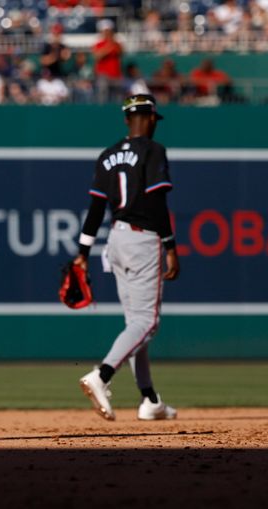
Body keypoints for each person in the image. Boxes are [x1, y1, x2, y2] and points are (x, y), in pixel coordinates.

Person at [75, 94, 180, 422]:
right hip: (143, 238)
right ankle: (102, 375)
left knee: (135, 323)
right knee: (147, 322)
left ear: (126, 120)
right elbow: (158, 202)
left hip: (115, 239)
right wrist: (171, 246)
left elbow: (95, 209)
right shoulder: (153, 150)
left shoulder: (107, 155)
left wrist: (82, 253)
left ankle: (150, 400)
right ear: (149, 119)